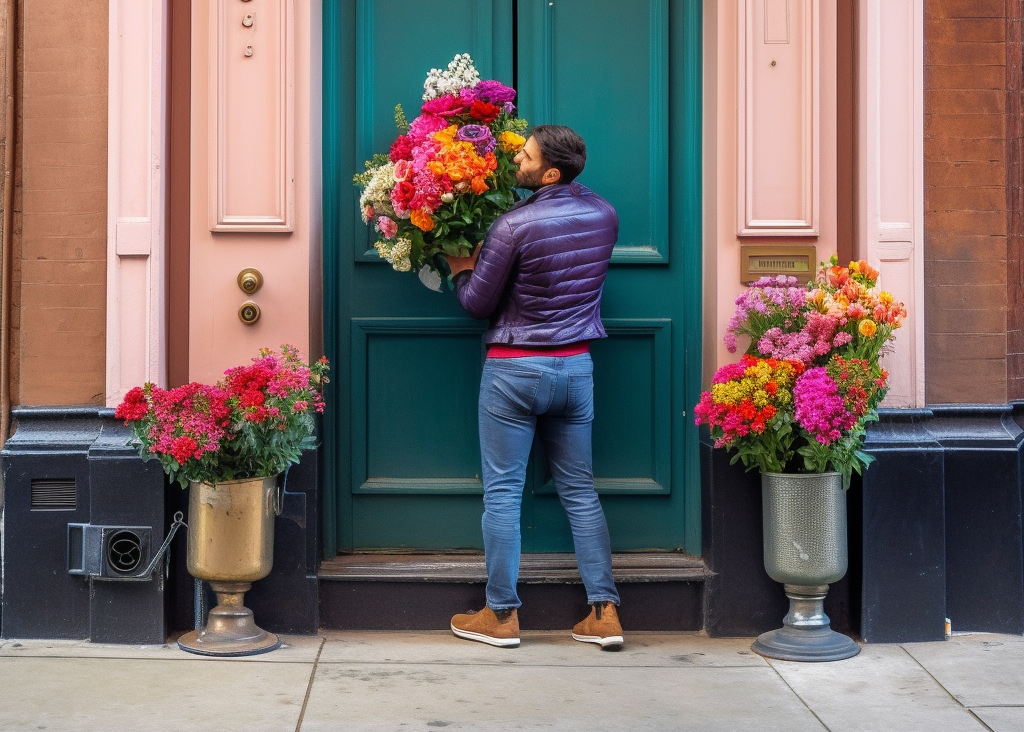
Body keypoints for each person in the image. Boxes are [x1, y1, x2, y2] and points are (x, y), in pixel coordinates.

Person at [444, 125, 622, 650]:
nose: (515, 162)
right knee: (581, 492)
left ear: (549, 173)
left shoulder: (512, 225)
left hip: (514, 371)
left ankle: (501, 616)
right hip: (575, 369)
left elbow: (479, 304)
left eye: (524, 157)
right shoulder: (605, 215)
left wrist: (461, 270)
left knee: (502, 495)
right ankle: (604, 613)